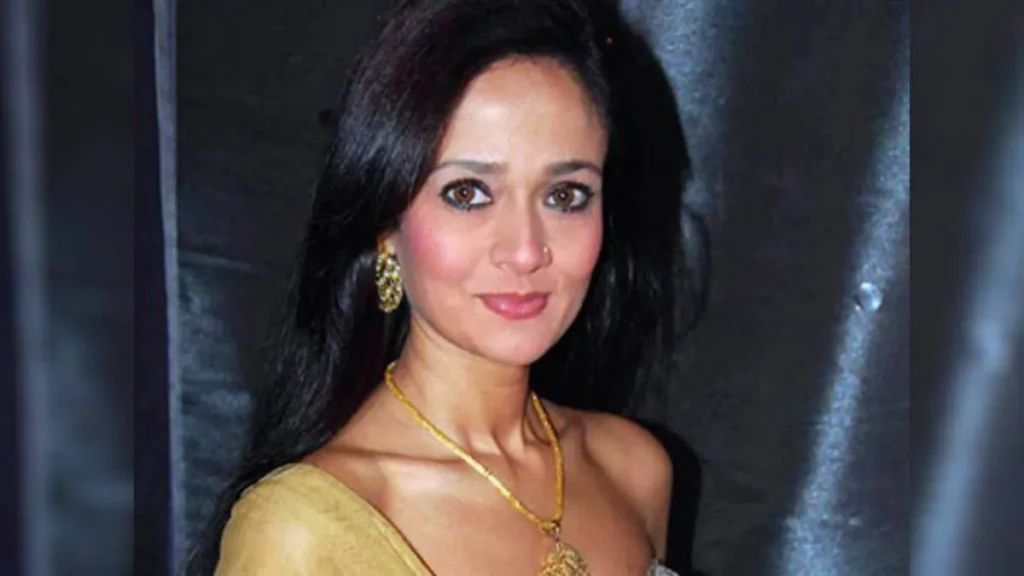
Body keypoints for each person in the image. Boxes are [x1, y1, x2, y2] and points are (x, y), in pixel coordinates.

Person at [189, 0, 686, 574]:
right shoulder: (305, 530)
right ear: (385, 227)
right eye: (468, 193)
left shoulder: (634, 470)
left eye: (565, 196)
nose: (526, 250)